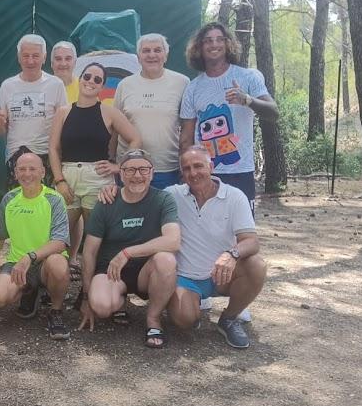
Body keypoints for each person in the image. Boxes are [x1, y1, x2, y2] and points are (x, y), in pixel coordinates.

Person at [165, 146, 267, 348]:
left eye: (198, 166)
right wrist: (112, 189)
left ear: (211, 167)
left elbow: (251, 241)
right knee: (184, 320)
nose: (193, 173)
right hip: (186, 276)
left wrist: (232, 254)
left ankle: (229, 318)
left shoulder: (234, 196)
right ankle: (191, 306)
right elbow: (141, 197)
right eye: (187, 168)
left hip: (222, 274)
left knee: (257, 265)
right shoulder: (172, 195)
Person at [78, 149, 180, 349]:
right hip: (111, 270)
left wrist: (128, 253)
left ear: (152, 173)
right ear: (121, 174)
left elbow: (173, 241)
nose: (137, 175)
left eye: (143, 169)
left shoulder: (163, 199)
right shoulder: (107, 201)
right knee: (101, 307)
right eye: (130, 170)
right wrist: (86, 296)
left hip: (146, 271)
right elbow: (89, 252)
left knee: (166, 260)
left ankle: (153, 320)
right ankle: (119, 298)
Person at [48, 62, 141, 271]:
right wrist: (59, 180)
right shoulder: (63, 112)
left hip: (98, 178)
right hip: (68, 175)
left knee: (96, 237)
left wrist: (119, 167)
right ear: (80, 78)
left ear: (102, 86)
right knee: (59, 233)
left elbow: (135, 139)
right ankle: (56, 278)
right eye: (87, 76)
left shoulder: (110, 112)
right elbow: (53, 148)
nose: (91, 81)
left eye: (97, 80)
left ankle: (92, 283)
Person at [180, 21, 278, 209]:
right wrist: (185, 171)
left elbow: (273, 113)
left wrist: (247, 100)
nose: (214, 44)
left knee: (242, 224)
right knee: (206, 223)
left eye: (219, 39)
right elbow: (186, 137)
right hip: (204, 172)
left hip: (240, 171)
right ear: (199, 47)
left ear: (228, 44)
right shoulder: (193, 88)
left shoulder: (247, 77)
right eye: (208, 41)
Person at [0, 151, 71, 341]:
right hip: (17, 263)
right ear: (15, 173)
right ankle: (30, 291)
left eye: (32, 169)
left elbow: (60, 242)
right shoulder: (9, 199)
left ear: (43, 172)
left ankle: (56, 311)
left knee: (58, 264)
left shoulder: (54, 199)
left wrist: (30, 257)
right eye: (22, 169)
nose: (27, 174)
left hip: (45, 262)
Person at [113, 33, 190, 189]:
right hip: (130, 168)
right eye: (146, 51)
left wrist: (186, 163)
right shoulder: (124, 85)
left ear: (166, 55)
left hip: (168, 169)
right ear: (138, 57)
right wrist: (113, 161)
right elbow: (114, 127)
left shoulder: (182, 83)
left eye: (157, 50)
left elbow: (188, 127)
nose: (152, 55)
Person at [0, 34, 67, 187]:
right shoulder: (7, 86)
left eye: (35, 56)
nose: (30, 61)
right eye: (26, 56)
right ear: (19, 57)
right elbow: (2, 132)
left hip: (46, 156)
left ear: (44, 57)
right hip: (15, 156)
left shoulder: (56, 85)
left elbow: (64, 124)